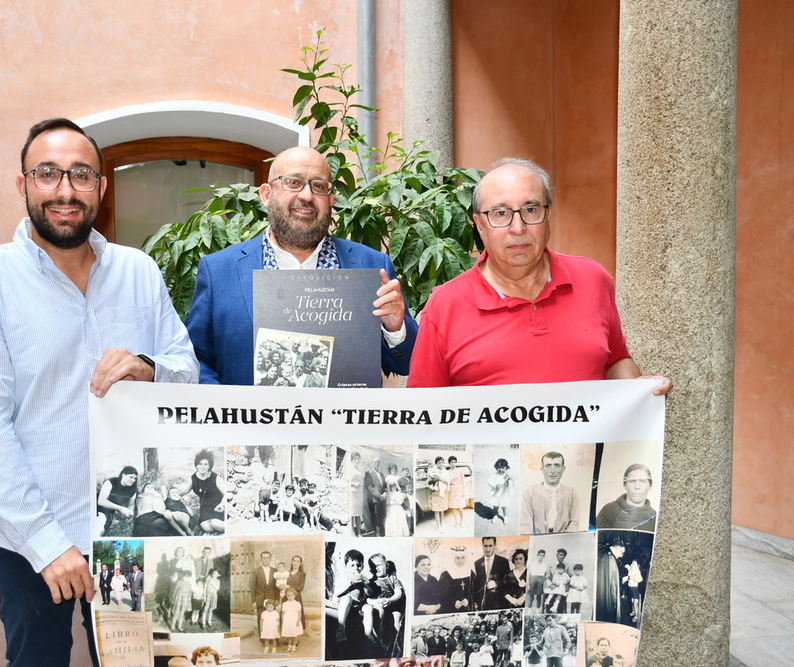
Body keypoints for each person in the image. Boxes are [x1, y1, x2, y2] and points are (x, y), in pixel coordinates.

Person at [0, 118, 198, 666]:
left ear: (101, 188)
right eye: (48, 174)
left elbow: (186, 369)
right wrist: (46, 543)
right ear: (24, 186)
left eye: (80, 175)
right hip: (32, 542)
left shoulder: (139, 272)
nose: (65, 190)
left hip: (127, 537)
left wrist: (150, 368)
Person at [407, 157, 672, 397]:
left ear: (548, 215)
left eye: (531, 210)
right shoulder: (444, 304)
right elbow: (424, 410)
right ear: (479, 224)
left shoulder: (593, 279)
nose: (518, 228)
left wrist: (639, 390)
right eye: (501, 214)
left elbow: (615, 362)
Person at [185, 146, 418, 386]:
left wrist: (395, 329)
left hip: (341, 422)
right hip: (250, 422)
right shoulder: (218, 270)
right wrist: (228, 412)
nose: (306, 196)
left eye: (318, 186)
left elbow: (403, 362)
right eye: (293, 183)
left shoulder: (372, 265)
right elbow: (194, 359)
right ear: (266, 195)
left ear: (330, 199)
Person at [520, 452, 580, 534]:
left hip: (564, 540)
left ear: (563, 469)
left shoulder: (571, 493)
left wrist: (565, 541)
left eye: (557, 465)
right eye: (548, 466)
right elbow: (525, 525)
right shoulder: (530, 492)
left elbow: (574, 523)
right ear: (542, 469)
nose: (552, 471)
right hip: (537, 541)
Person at [595, 463, 657, 532]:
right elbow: (594, 540)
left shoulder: (655, 518)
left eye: (642, 481)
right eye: (632, 481)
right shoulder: (609, 511)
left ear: (650, 486)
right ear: (625, 485)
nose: (637, 486)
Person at [178, 449, 226, 534]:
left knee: (215, 523)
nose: (203, 466)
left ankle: (226, 528)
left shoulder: (216, 478)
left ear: (209, 466)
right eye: (200, 464)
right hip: (205, 510)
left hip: (218, 508)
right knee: (205, 527)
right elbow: (185, 490)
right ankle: (220, 528)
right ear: (196, 465)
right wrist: (176, 494)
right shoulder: (193, 478)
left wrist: (222, 504)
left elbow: (226, 494)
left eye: (205, 464)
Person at [97, 466, 138, 535]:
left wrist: (130, 514)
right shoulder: (111, 482)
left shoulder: (133, 489)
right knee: (97, 527)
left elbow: (131, 504)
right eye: (131, 477)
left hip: (109, 513)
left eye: (135, 478)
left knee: (102, 530)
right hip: (97, 508)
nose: (133, 480)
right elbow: (101, 501)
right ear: (123, 475)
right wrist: (121, 508)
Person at [473, 537, 511, 610]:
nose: (488, 549)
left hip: (498, 604)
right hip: (482, 606)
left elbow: (508, 582)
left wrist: (496, 584)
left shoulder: (503, 562)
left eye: (490, 546)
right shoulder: (477, 563)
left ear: (495, 545)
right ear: (482, 545)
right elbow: (476, 585)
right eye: (485, 546)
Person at [439, 547, 475, 613]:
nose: (460, 561)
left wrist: (468, 600)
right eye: (457, 558)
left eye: (463, 557)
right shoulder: (446, 574)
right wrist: (454, 602)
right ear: (453, 558)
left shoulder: (470, 573)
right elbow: (442, 594)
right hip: (451, 609)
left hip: (467, 608)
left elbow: (475, 590)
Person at [253, 551, 280, 637]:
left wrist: (277, 599)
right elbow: (252, 587)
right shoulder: (256, 571)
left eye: (267, 558)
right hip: (260, 598)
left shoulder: (275, 571)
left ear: (270, 559)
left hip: (271, 600)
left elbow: (277, 587)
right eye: (264, 558)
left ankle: (274, 637)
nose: (266, 559)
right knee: (262, 618)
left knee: (273, 619)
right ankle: (263, 638)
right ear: (261, 559)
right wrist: (254, 601)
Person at [426, 456, 450, 533]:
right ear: (436, 463)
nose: (440, 464)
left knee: (442, 510)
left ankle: (442, 525)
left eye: (442, 462)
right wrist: (433, 481)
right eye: (439, 462)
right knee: (437, 510)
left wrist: (439, 479)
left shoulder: (445, 471)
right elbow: (429, 481)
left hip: (443, 492)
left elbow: (447, 481)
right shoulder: (432, 470)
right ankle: (438, 526)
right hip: (435, 492)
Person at [487, 458, 514, 525]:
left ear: (506, 468)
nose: (501, 469)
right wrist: (495, 485)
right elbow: (489, 482)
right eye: (499, 468)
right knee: (495, 506)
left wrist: (510, 483)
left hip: (503, 495)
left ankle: (505, 517)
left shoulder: (507, 475)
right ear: (496, 468)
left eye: (503, 468)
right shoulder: (495, 475)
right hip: (496, 494)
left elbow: (512, 482)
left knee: (504, 507)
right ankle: (495, 515)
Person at [281, 587, 305, 653]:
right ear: (286, 595)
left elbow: (299, 613)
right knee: (289, 634)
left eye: (291, 595)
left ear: (294, 595)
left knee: (296, 634)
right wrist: (283, 622)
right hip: (287, 620)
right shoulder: (284, 604)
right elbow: (282, 613)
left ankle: (294, 646)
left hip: (295, 620)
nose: (290, 597)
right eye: (288, 595)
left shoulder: (297, 604)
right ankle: (289, 646)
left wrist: (298, 621)